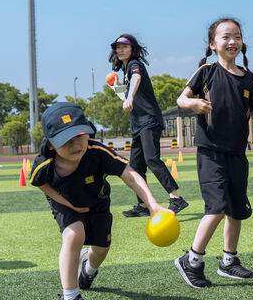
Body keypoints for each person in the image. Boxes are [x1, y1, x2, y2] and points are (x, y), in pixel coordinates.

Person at [29, 102, 172, 300]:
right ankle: (70, 295)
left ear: (88, 133)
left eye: (79, 135)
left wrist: (153, 205)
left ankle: (88, 270)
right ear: (51, 144)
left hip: (97, 202)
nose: (75, 144)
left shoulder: (98, 153)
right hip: (64, 202)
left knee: (101, 249)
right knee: (74, 235)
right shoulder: (44, 165)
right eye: (65, 140)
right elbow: (40, 183)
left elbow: (130, 175)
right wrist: (68, 205)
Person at [173, 18, 253, 289]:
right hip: (210, 152)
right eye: (226, 37)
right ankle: (191, 260)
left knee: (237, 210)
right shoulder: (206, 71)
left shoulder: (249, 79)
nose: (232, 41)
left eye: (237, 36)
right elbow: (182, 99)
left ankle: (229, 261)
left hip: (237, 153)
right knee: (216, 208)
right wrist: (193, 104)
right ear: (213, 44)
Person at [109, 34, 188, 216]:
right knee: (136, 166)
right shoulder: (126, 70)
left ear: (132, 49)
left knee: (152, 159)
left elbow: (136, 80)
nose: (120, 50)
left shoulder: (135, 65)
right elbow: (129, 97)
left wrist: (129, 97)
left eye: (124, 46)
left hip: (149, 121)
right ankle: (143, 205)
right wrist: (118, 90)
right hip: (138, 123)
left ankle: (176, 198)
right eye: (117, 47)